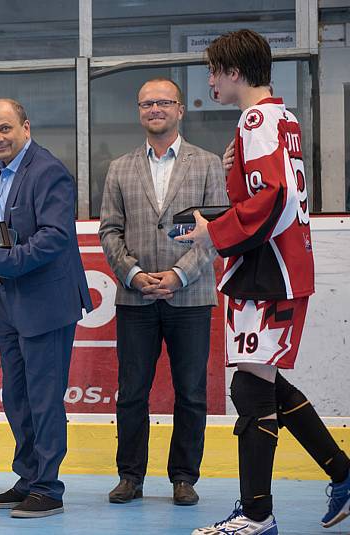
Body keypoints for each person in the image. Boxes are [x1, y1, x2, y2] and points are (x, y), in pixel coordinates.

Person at [183, 30, 350, 534]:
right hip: (278, 266)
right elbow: (267, 191)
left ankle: (257, 513)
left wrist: (215, 233)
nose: (209, 80)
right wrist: (234, 174)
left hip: (268, 270)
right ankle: (341, 473)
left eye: (214, 70)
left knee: (251, 385)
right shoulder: (283, 117)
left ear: (234, 72)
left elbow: (273, 198)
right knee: (264, 382)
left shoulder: (256, 119)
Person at [98, 78, 228, 507]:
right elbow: (110, 231)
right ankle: (130, 476)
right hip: (135, 297)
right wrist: (133, 274)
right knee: (131, 391)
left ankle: (184, 477)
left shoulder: (209, 165)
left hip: (190, 296)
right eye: (147, 102)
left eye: (164, 102)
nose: (155, 109)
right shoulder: (119, 167)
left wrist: (177, 275)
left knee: (190, 391)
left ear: (179, 110)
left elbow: (216, 231)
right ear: (139, 111)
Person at [0, 98, 93, 518]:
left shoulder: (48, 169)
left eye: (5, 129)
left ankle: (48, 488)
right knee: (16, 398)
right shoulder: (5, 173)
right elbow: (10, 212)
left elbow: (55, 236)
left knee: (44, 398)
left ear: (25, 126)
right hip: (9, 302)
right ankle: (28, 478)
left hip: (45, 304)